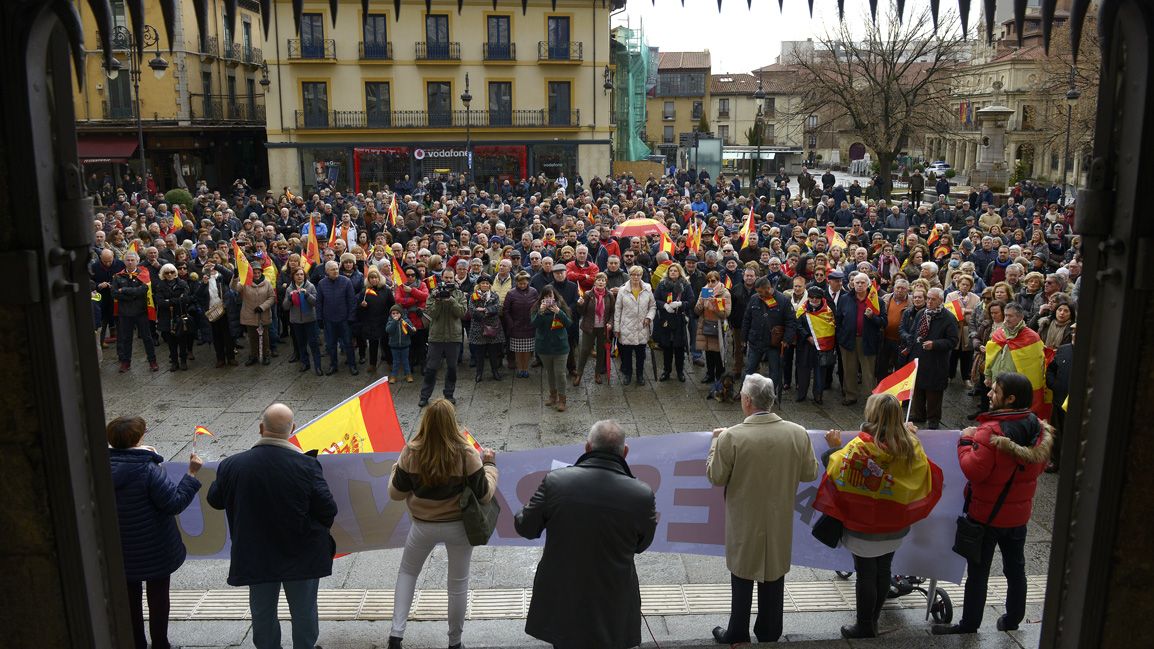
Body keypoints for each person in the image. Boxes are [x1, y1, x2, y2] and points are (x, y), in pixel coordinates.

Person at [515, 420, 657, 649]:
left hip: (564, 594)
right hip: (613, 595)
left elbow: (526, 527)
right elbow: (642, 544)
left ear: (587, 447)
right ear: (625, 452)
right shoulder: (641, 494)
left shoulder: (556, 482)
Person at [206, 403, 338, 649]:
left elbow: (215, 500)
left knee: (262, 611)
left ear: (260, 428)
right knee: (304, 610)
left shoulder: (232, 465)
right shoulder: (306, 465)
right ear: (293, 429)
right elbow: (328, 509)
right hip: (301, 553)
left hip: (255, 554)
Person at [933, 373, 1053, 636]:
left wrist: (966, 441)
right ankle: (1013, 619)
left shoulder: (991, 432)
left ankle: (969, 625)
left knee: (978, 573)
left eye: (995, 391)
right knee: (1016, 568)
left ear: (1010, 399)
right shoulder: (1039, 430)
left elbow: (973, 470)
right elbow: (1038, 467)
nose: (988, 393)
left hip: (986, 515)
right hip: (1019, 516)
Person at [814, 394, 943, 638]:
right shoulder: (910, 445)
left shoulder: (861, 446)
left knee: (865, 573)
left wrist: (834, 445)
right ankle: (872, 620)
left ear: (871, 416)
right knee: (884, 569)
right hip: (895, 523)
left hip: (863, 526)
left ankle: (864, 625)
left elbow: (834, 467)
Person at [706, 374, 821, 643]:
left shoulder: (732, 437)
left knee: (742, 571)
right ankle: (770, 630)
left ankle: (737, 630)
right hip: (779, 518)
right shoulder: (797, 433)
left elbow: (716, 476)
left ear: (746, 400)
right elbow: (810, 472)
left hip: (745, 518)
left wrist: (714, 443)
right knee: (774, 571)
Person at [387, 400, 499, 649]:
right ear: (452, 422)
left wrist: (396, 467)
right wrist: (490, 466)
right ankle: (455, 642)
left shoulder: (412, 451)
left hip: (422, 525)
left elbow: (395, 493)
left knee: (407, 573)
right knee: (457, 584)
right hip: (459, 526)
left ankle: (396, 635)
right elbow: (484, 494)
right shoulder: (466, 453)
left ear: (425, 421)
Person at [107, 416, 203, 649]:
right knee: (158, 597)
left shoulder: (98, 466)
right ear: (138, 440)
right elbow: (174, 503)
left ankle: (136, 642)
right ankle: (160, 643)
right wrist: (191, 474)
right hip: (155, 547)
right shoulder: (148, 469)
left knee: (129, 598)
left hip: (119, 549)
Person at [905, 287, 960, 429]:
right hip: (919, 356)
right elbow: (914, 332)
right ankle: (919, 414)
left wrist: (935, 344)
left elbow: (953, 341)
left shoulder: (948, 318)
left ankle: (933, 418)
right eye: (927, 298)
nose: (929, 301)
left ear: (941, 301)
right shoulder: (922, 313)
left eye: (932, 299)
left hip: (936, 360)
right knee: (918, 388)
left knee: (933, 392)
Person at [835, 273, 887, 405]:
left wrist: (872, 317)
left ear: (868, 284)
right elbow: (838, 319)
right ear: (852, 283)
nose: (859, 285)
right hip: (848, 340)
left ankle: (870, 399)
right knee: (849, 369)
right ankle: (850, 395)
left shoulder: (877, 300)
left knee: (868, 372)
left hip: (868, 340)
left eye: (862, 282)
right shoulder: (844, 298)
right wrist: (841, 336)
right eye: (857, 282)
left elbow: (884, 322)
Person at [741, 276, 796, 398]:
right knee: (749, 369)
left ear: (768, 288)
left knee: (774, 371)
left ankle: (770, 394)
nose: (759, 294)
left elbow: (791, 322)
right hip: (756, 340)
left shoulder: (783, 300)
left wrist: (786, 340)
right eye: (757, 292)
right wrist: (743, 338)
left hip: (774, 344)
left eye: (761, 292)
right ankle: (744, 392)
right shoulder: (754, 299)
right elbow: (747, 318)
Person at [419, 272, 467, 407]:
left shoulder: (459, 294)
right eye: (446, 278)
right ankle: (424, 396)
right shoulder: (434, 294)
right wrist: (439, 302)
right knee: (431, 368)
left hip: (453, 336)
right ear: (442, 278)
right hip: (436, 337)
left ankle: (449, 394)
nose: (448, 280)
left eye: (451, 278)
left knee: (452, 368)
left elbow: (462, 313)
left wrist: (451, 300)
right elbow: (431, 313)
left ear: (454, 278)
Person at [112, 250, 159, 372]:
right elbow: (115, 293)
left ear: (137, 261)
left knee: (147, 337)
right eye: (128, 260)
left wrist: (125, 290)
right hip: (125, 313)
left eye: (133, 260)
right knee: (125, 338)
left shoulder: (143, 274)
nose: (130, 262)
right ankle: (125, 362)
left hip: (141, 312)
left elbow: (143, 290)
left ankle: (152, 361)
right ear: (124, 261)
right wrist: (132, 293)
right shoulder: (118, 276)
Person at [532, 284, 573, 411]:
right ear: (541, 298)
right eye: (545, 296)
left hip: (560, 346)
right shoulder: (537, 308)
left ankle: (562, 399)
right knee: (549, 372)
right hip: (544, 346)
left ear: (554, 296)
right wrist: (540, 312)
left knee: (560, 373)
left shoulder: (561, 306)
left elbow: (569, 323)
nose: (549, 298)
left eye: (550, 296)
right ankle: (552, 395)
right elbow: (534, 324)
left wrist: (559, 312)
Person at [613, 265, 656, 385]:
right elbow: (618, 310)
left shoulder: (647, 288)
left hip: (642, 327)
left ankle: (640, 375)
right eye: (633, 274)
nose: (636, 277)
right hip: (626, 326)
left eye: (638, 274)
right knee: (626, 355)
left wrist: (649, 317)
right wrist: (616, 328)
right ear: (630, 275)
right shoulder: (623, 290)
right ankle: (628, 374)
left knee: (641, 355)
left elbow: (652, 306)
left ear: (642, 275)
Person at [317, 260, 359, 375]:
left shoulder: (346, 281)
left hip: (344, 319)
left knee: (348, 344)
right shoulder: (321, 284)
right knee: (331, 344)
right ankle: (333, 365)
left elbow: (352, 301)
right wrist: (319, 318)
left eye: (336, 268)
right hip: (329, 320)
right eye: (332, 269)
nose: (335, 271)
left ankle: (352, 365)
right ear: (327, 271)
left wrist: (351, 317)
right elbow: (319, 302)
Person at [574, 271, 616, 385]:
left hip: (603, 328)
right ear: (595, 282)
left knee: (601, 351)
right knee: (584, 351)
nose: (601, 282)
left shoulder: (610, 295)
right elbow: (582, 312)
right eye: (598, 280)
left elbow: (613, 312)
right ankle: (579, 374)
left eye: (603, 280)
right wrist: (580, 304)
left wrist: (610, 323)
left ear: (606, 282)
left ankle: (597, 374)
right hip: (589, 327)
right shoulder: (588, 294)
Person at [653, 263, 694, 382]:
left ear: (679, 272)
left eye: (675, 271)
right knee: (666, 347)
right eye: (671, 271)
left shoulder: (685, 285)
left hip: (679, 320)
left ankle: (680, 371)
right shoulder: (662, 284)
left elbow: (691, 301)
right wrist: (664, 305)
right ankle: (666, 371)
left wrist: (681, 304)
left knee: (679, 348)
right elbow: (656, 299)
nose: (673, 273)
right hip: (666, 319)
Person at [794, 286, 835, 404]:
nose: (814, 300)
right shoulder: (802, 310)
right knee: (803, 370)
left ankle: (818, 395)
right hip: (805, 345)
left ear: (822, 298)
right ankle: (802, 394)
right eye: (811, 297)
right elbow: (798, 325)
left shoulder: (828, 311)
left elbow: (830, 328)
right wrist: (807, 336)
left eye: (817, 297)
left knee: (820, 372)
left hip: (821, 347)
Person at [231, 259, 276, 366]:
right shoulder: (245, 283)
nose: (256, 274)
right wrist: (235, 277)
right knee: (252, 337)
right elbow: (234, 288)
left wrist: (262, 307)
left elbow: (272, 297)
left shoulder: (267, 283)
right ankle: (253, 355)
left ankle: (266, 355)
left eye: (258, 272)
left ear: (261, 272)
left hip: (263, 315)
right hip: (249, 315)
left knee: (265, 337)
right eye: (254, 272)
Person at [282, 266, 323, 375]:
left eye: (301, 274)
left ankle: (318, 366)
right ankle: (305, 363)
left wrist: (307, 295)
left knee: (313, 344)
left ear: (304, 276)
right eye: (297, 275)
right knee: (301, 344)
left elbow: (316, 302)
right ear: (293, 277)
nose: (299, 276)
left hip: (310, 320)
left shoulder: (310, 287)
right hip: (296, 321)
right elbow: (285, 306)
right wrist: (290, 299)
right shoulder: (290, 289)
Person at [695, 270, 732, 384]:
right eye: (708, 281)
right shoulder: (704, 291)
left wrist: (715, 304)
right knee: (708, 352)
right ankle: (709, 374)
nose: (710, 283)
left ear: (718, 281)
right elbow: (696, 311)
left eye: (713, 281)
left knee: (718, 353)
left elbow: (726, 313)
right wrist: (701, 302)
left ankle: (719, 375)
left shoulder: (724, 293)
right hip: (705, 324)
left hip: (718, 327)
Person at [154, 263, 192, 371]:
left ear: (175, 273)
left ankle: (183, 361)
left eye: (172, 272)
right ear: (163, 274)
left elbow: (186, 299)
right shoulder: (160, 285)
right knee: (171, 342)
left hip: (181, 314)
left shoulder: (182, 283)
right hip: (167, 317)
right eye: (167, 273)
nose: (170, 274)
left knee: (183, 340)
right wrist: (176, 300)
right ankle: (174, 362)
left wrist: (170, 301)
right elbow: (160, 302)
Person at [467, 274, 505, 382]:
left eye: (487, 283)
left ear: (490, 285)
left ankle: (495, 371)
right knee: (480, 353)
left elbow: (497, 307)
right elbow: (471, 309)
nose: (484, 285)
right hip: (478, 327)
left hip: (492, 327)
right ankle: (479, 373)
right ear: (479, 285)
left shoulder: (494, 295)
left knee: (493, 352)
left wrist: (485, 310)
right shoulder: (473, 296)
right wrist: (481, 313)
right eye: (482, 283)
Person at [502, 271, 539, 378]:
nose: (522, 285)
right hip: (516, 326)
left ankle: (525, 368)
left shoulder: (534, 292)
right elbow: (506, 310)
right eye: (520, 283)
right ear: (516, 282)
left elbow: (537, 306)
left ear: (528, 282)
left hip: (529, 325)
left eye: (524, 283)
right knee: (518, 350)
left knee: (527, 349)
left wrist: (534, 320)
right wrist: (510, 323)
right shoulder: (511, 293)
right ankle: (519, 368)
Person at [385, 304, 414, 383]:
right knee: (395, 361)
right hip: (394, 346)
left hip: (405, 345)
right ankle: (393, 376)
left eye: (397, 313)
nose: (395, 315)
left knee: (405, 361)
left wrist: (413, 329)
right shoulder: (390, 321)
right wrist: (394, 321)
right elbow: (388, 330)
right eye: (393, 313)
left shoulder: (406, 321)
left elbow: (411, 330)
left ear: (401, 313)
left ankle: (408, 375)